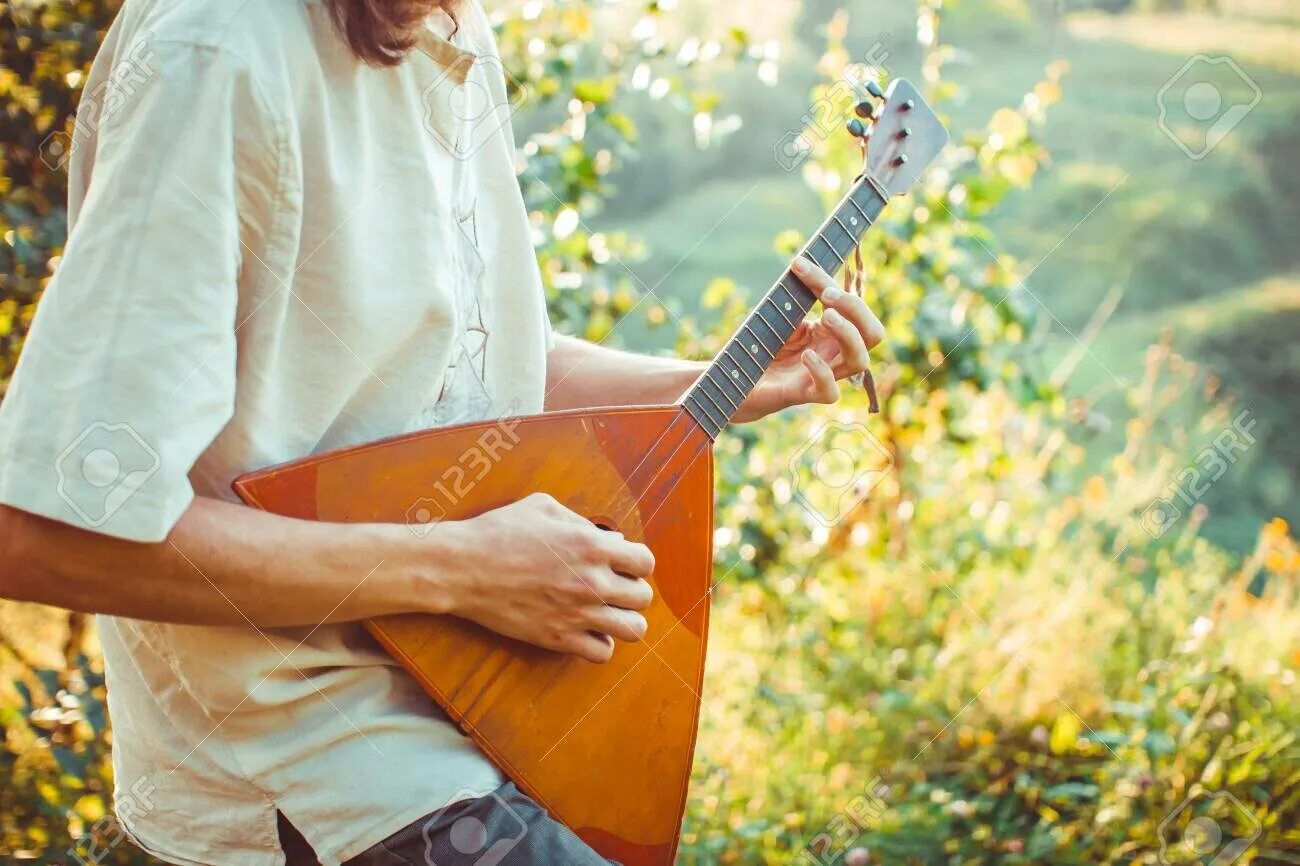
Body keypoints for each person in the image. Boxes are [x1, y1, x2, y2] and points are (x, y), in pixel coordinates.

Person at [0, 0, 884, 863]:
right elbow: (46, 535)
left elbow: (476, 369)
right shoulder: (217, 48)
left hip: (485, 697)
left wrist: (714, 385)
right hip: (324, 747)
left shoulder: (451, 25)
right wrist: (467, 569)